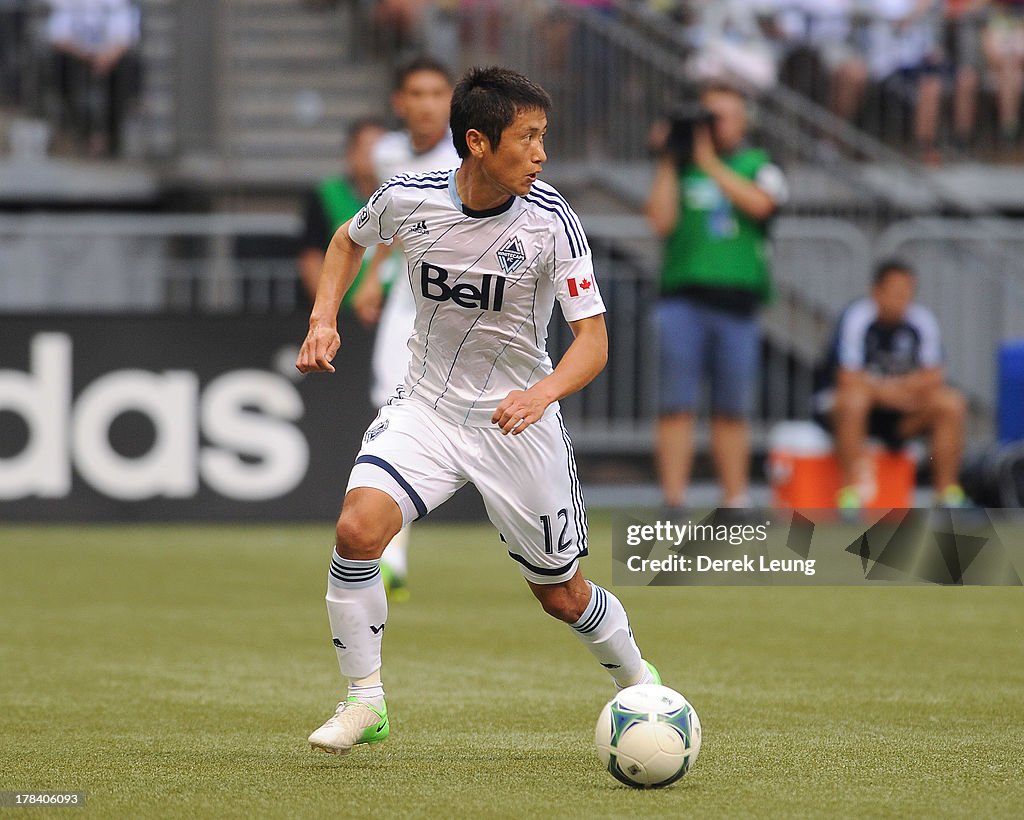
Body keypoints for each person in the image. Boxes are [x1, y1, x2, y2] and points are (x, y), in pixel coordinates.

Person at [297, 65, 661, 755]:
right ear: (479, 142)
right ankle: (364, 700)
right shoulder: (408, 197)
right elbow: (347, 240)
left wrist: (542, 392)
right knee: (356, 531)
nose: (541, 153)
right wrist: (324, 318)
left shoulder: (553, 221)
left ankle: (643, 687)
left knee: (561, 595)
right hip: (427, 409)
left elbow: (593, 342)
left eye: (543, 137)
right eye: (527, 138)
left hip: (516, 422)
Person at [645, 83, 788, 509]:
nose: (715, 125)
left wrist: (708, 162)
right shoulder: (681, 167)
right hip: (682, 299)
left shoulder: (759, 164)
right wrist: (672, 155)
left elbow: (763, 206)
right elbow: (659, 219)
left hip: (738, 303)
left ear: (743, 122)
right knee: (676, 405)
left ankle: (734, 501)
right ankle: (674, 501)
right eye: (709, 117)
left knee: (732, 409)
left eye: (724, 117)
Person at [350, 55, 461, 600]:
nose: (427, 104)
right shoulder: (387, 152)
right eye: (416, 93)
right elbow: (391, 220)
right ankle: (390, 554)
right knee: (393, 408)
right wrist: (374, 276)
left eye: (438, 93)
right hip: (407, 301)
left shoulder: (469, 152)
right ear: (400, 102)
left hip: (465, 303)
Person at [814, 259, 968, 509]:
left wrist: (894, 391)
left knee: (951, 404)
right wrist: (889, 392)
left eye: (907, 293)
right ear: (877, 292)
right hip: (859, 412)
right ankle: (851, 493)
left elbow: (934, 376)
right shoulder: (856, 318)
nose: (902, 300)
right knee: (854, 400)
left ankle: (946, 493)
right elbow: (848, 377)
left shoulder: (921, 321)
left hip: (901, 414)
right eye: (895, 293)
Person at [297, 118, 387, 306]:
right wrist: (326, 312)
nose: (375, 156)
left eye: (381, 150)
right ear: (351, 153)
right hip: (344, 314)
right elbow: (311, 258)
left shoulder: (405, 197)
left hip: (398, 314)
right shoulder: (327, 195)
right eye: (368, 148)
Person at [46, 0, 141, 158]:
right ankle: (82, 133)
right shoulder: (68, 4)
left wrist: (106, 57)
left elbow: (126, 37)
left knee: (129, 70)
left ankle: (110, 136)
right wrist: (88, 56)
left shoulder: (118, 4)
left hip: (112, 60)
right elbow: (58, 37)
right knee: (59, 67)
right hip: (77, 58)